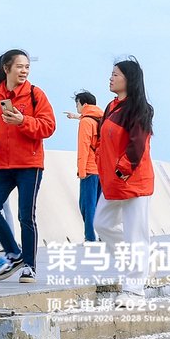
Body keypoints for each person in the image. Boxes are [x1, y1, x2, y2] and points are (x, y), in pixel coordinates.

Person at [0, 49, 56, 282]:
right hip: (1, 165)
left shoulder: (35, 94)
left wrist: (22, 121)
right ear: (6, 68)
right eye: (19, 66)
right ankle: (14, 253)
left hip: (29, 164)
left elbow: (48, 127)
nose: (24, 71)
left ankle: (29, 266)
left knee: (26, 216)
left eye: (27, 67)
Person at [93, 56, 154, 306]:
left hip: (134, 181)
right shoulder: (111, 107)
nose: (111, 78)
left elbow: (137, 145)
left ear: (129, 80)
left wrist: (122, 171)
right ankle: (138, 264)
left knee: (135, 235)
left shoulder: (139, 108)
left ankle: (135, 290)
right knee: (102, 224)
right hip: (112, 181)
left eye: (116, 74)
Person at [63, 91, 101, 243]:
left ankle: (90, 237)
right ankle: (102, 235)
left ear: (84, 104)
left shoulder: (86, 122)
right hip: (102, 169)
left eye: (77, 104)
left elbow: (83, 147)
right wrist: (76, 116)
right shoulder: (101, 118)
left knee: (86, 205)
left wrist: (81, 170)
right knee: (98, 204)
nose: (76, 107)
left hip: (90, 168)